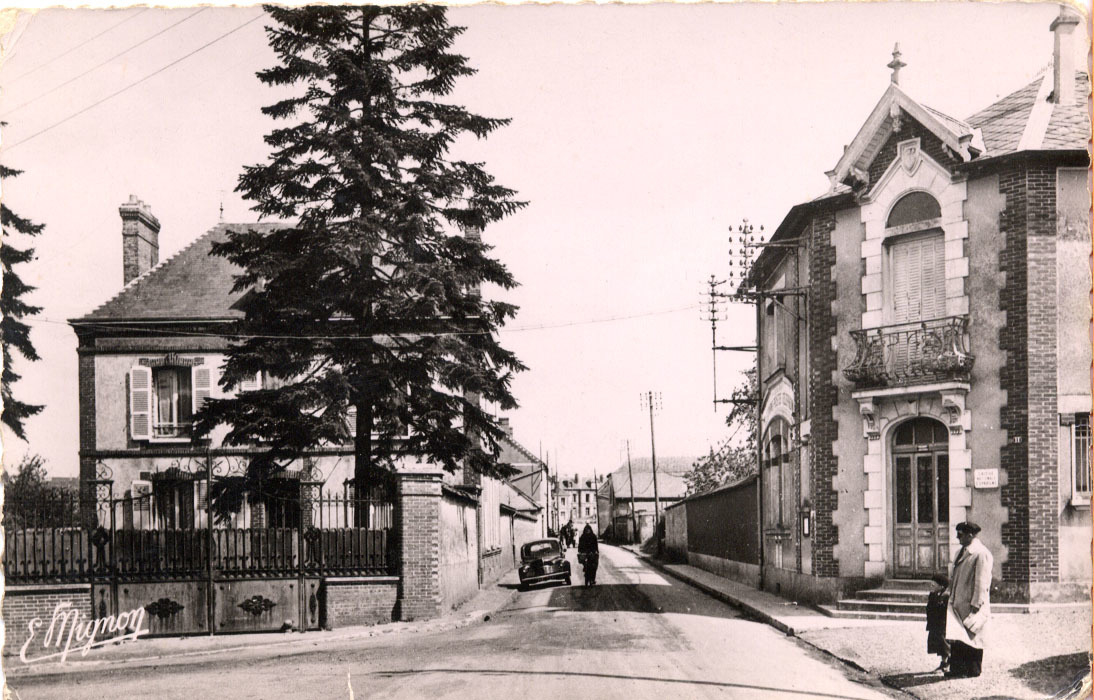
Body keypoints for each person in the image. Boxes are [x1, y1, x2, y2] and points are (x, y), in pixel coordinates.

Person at [945, 521, 992, 678]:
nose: (957, 538)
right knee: (958, 637)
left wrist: (976, 604)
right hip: (958, 602)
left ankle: (973, 670)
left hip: (971, 604)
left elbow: (982, 581)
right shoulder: (960, 552)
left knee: (973, 637)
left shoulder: (981, 553)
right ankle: (957, 669)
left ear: (970, 535)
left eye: (961, 535)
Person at [926, 573, 950, 672]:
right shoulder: (933, 595)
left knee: (944, 643)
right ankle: (944, 663)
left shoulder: (946, 597)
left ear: (941, 587)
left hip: (942, 623)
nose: (931, 587)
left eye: (933, 585)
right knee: (938, 643)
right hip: (934, 623)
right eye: (930, 585)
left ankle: (948, 662)